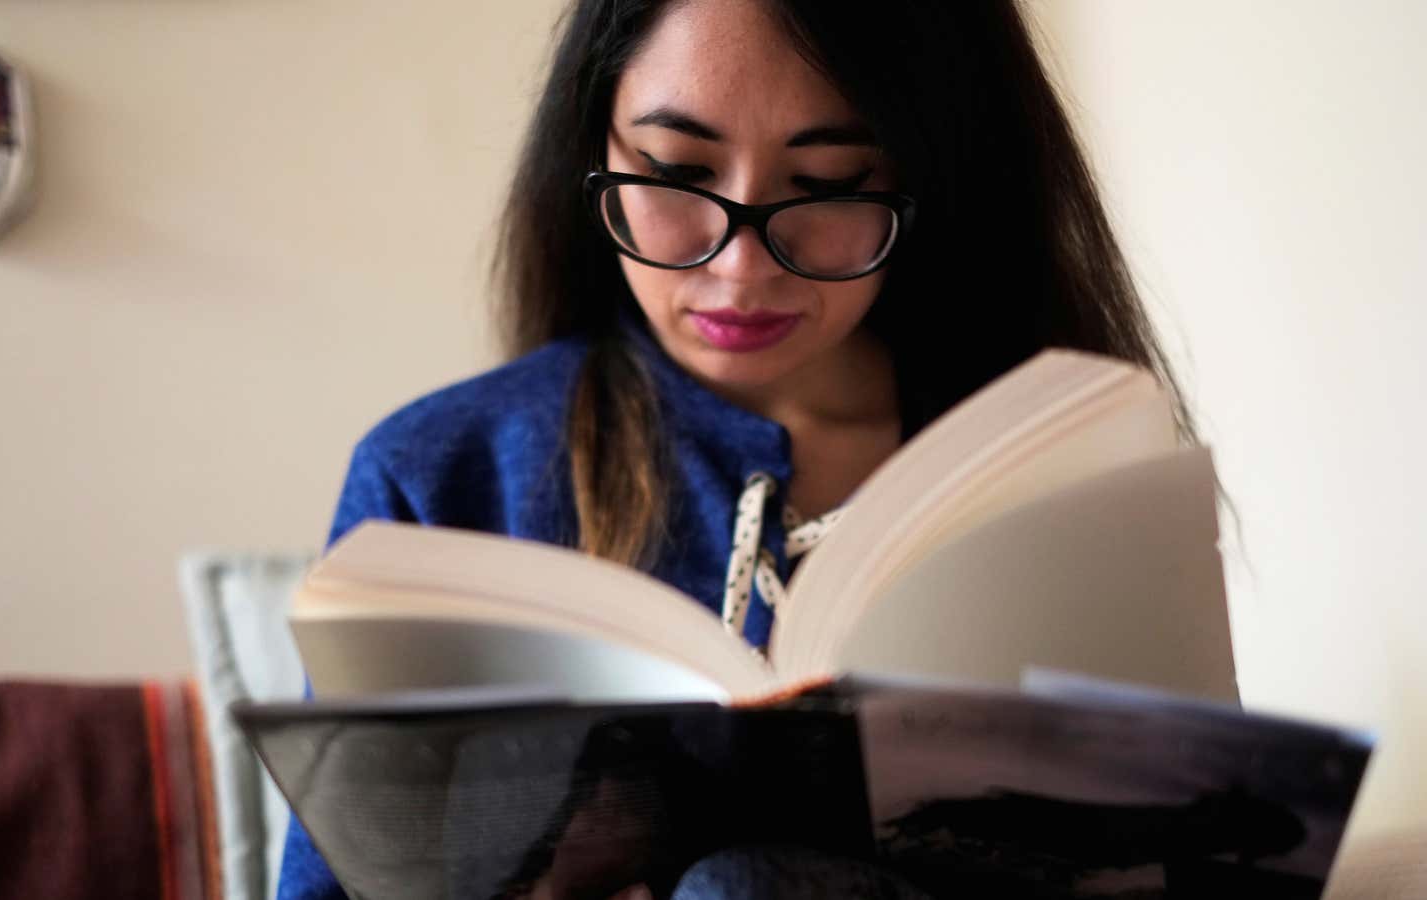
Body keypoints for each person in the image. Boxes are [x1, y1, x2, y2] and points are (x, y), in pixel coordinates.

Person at [278, 0, 1191, 896]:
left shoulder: (1052, 464)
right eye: (676, 170)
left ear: (931, 173)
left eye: (829, 184)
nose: (740, 268)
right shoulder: (441, 478)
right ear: (592, 144)